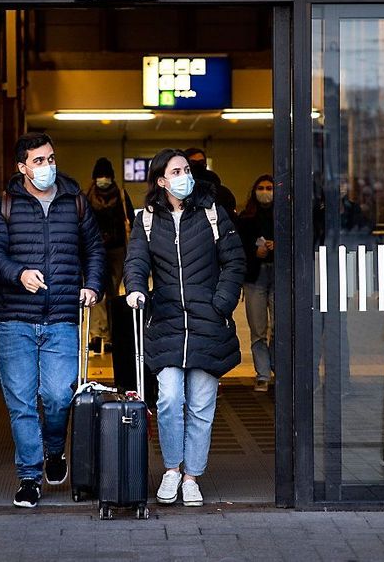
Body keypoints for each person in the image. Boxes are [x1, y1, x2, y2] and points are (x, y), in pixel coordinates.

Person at [0, 132, 105, 508]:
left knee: (57, 396)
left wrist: (94, 286)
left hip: (62, 317)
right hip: (14, 318)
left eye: (50, 159)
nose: (48, 166)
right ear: (22, 168)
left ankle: (54, 450)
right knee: (21, 402)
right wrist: (18, 273)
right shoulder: (3, 204)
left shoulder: (75, 202)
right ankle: (30, 477)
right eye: (38, 161)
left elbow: (95, 249)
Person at [123, 148, 245, 508]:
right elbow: (136, 260)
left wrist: (220, 303)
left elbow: (235, 260)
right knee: (170, 399)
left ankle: (193, 476)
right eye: (176, 171)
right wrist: (134, 288)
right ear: (161, 181)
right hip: (167, 321)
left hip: (208, 323)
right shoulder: (145, 220)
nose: (184, 176)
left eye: (187, 170)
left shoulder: (212, 213)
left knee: (202, 405)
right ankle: (172, 469)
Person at [85, 157, 135, 354]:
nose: (103, 179)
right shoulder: (87, 196)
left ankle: (111, 335)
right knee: (97, 290)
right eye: (100, 176)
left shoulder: (121, 195)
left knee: (112, 292)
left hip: (116, 251)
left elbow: (130, 220)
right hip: (94, 250)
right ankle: (97, 334)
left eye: (106, 176)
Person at [237, 174, 276, 391]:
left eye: (269, 187)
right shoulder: (246, 218)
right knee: (258, 328)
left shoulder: (284, 216)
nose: (265, 191)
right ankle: (262, 373)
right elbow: (239, 248)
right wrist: (255, 251)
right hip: (255, 277)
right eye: (260, 187)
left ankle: (278, 368)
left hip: (279, 275)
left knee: (280, 326)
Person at [184, 147, 237, 219]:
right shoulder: (178, 190)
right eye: (193, 162)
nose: (198, 165)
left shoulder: (221, 191)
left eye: (201, 162)